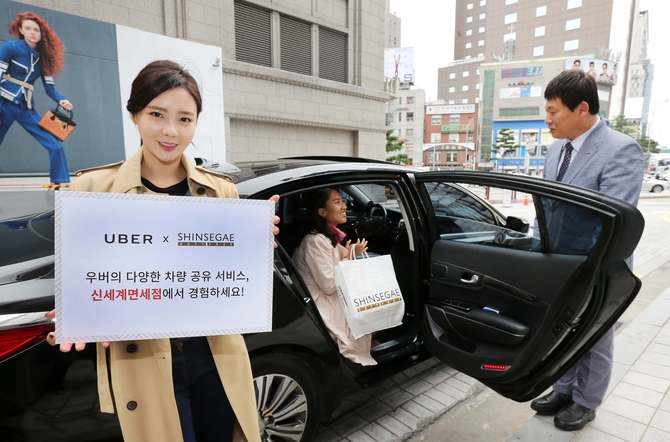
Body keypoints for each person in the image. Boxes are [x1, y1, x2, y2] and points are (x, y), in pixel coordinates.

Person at [45, 60, 279, 442]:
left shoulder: (222, 190)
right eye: (157, 114)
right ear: (134, 114)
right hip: (143, 361)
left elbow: (229, 279)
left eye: (185, 119)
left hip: (215, 356)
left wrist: (255, 246)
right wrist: (75, 309)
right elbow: (86, 279)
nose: (171, 131)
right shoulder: (91, 189)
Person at [530, 69, 643, 431]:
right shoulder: (555, 149)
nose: (547, 119)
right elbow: (548, 206)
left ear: (581, 108)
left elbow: (615, 220)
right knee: (563, 330)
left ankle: (586, 400)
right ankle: (564, 388)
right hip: (558, 261)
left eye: (553, 111)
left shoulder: (620, 149)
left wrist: (587, 267)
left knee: (594, 334)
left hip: (598, 264)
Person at [292, 187, 377, 366]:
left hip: (328, 294)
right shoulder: (314, 241)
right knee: (371, 303)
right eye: (337, 202)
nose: (344, 206)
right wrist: (349, 256)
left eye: (343, 201)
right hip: (321, 301)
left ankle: (370, 341)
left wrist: (352, 252)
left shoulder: (327, 237)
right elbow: (330, 285)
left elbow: (339, 257)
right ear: (322, 212)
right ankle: (367, 343)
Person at [0, 11, 73, 185]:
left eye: (36, 30)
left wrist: (61, 99)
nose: (32, 32)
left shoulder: (44, 58)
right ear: (21, 30)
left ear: (42, 33)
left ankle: (59, 183)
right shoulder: (10, 47)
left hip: (25, 108)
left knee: (55, 145)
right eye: (28, 28)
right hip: (4, 103)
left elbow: (50, 89)